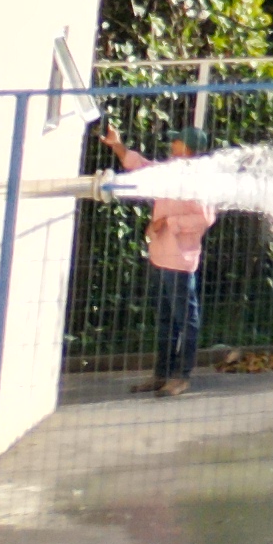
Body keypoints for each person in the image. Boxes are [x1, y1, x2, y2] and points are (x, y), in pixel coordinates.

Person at [102, 128, 217, 396]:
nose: (172, 144)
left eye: (176, 141)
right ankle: (162, 374)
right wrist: (117, 146)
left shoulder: (200, 181)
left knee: (185, 318)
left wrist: (170, 222)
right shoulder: (169, 171)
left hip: (179, 259)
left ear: (186, 148)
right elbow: (142, 167)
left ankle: (181, 376)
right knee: (166, 319)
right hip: (161, 256)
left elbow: (205, 218)